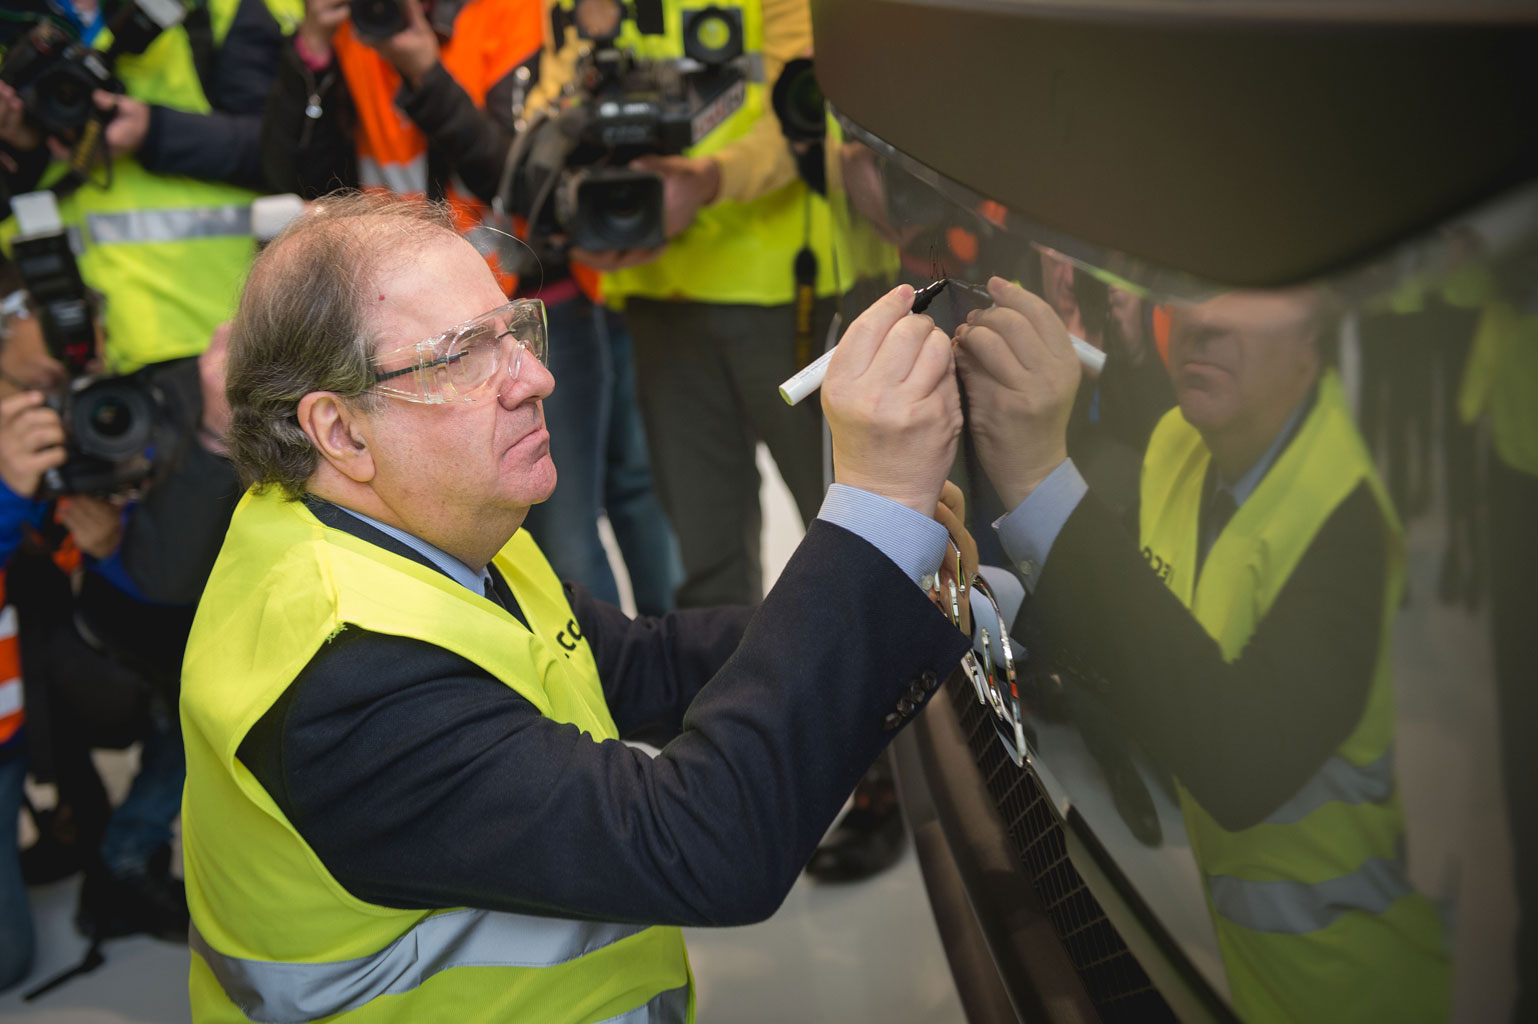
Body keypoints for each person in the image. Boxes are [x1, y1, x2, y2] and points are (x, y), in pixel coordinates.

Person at [179, 193, 969, 1022]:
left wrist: (895, 578)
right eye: (461, 355)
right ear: (338, 431)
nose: (538, 378)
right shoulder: (346, 677)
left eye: (513, 331)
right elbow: (707, 843)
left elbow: (647, 663)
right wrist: (869, 515)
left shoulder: (419, 528)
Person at [956, 277, 1449, 1022]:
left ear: (1313, 333)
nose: (1202, 322)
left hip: (1358, 979)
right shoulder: (1180, 444)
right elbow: (1149, 639)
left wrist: (1037, 479)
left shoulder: (1348, 516)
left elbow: (1241, 758)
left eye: (1249, 293)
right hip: (1247, 963)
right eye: (1187, 285)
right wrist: (987, 594)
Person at [262, 0, 678, 613]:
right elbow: (297, 180)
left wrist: (425, 73)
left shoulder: (510, 16)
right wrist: (314, 53)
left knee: (576, 526)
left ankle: (635, 682)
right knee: (507, 529)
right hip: (417, 332)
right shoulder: (351, 29)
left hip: (530, 302)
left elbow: (519, 178)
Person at [524, 0, 841, 610]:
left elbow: (812, 104)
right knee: (708, 565)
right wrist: (569, 184)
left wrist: (708, 180)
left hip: (787, 290)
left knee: (847, 529)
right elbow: (551, 102)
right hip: (658, 297)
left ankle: (886, 702)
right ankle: (739, 703)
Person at [0, 268, 242, 987]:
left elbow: (156, 570)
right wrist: (13, 495)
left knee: (204, 678)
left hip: (64, 654)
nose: (79, 347)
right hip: (36, 672)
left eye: (91, 327)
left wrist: (107, 541)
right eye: (59, 325)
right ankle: (81, 822)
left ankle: (110, 845)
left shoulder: (105, 405)